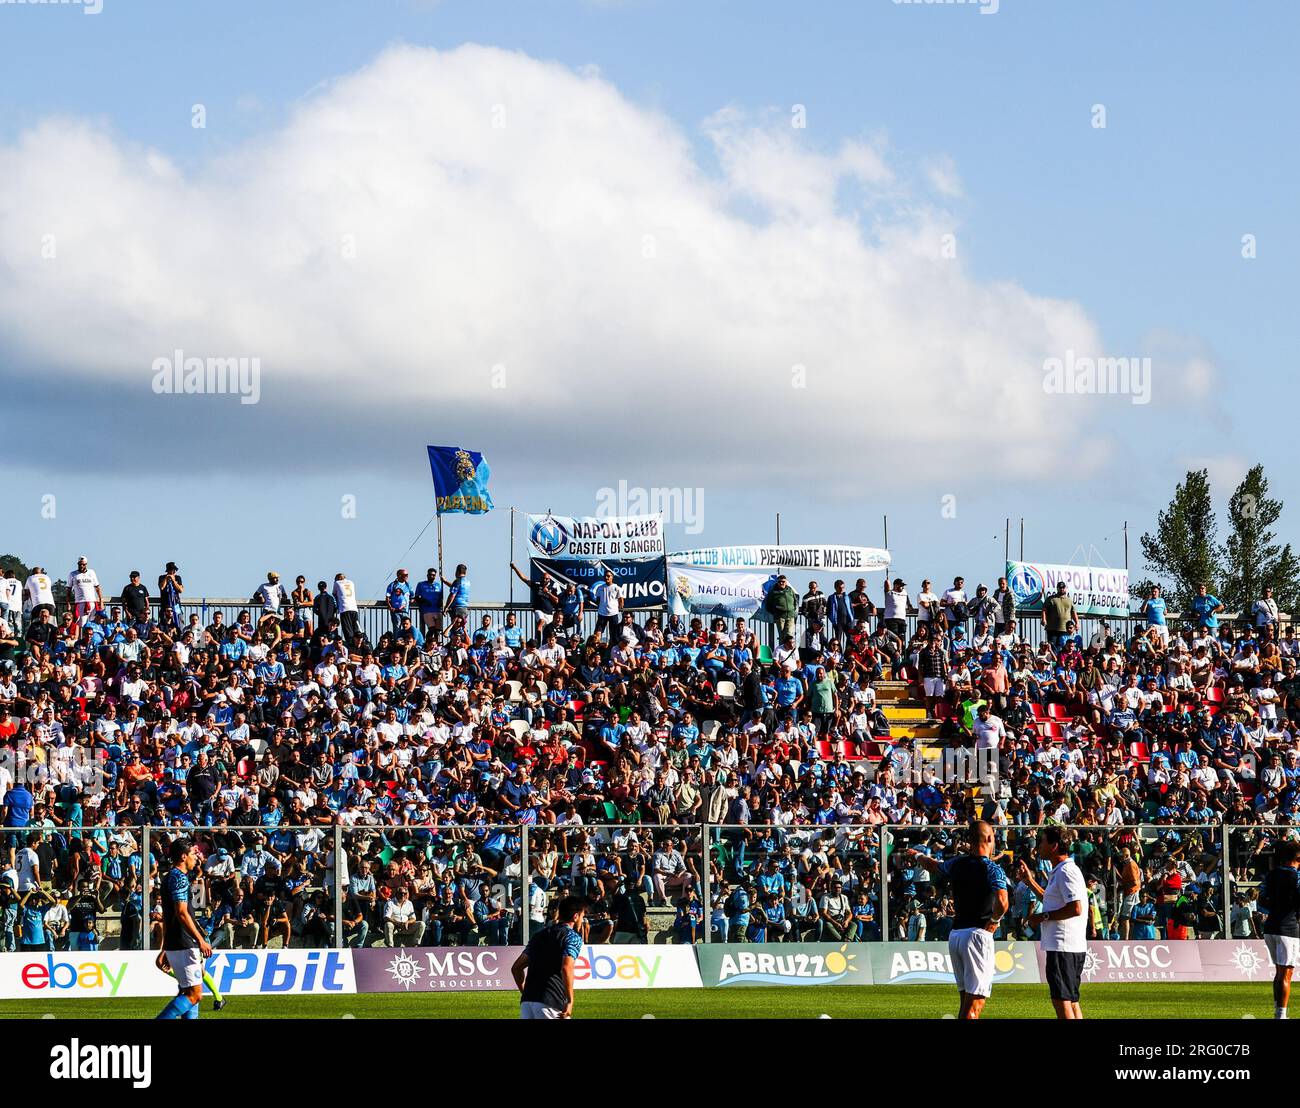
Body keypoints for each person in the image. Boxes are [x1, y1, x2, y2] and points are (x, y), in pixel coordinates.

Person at [908, 821, 1008, 1019]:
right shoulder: (992, 869)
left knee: (965, 1001)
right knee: (975, 1005)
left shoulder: (957, 863)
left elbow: (933, 866)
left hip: (957, 936)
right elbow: (1003, 902)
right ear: (989, 839)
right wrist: (995, 920)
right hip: (979, 935)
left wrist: (917, 855)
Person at [1017, 826, 1087, 1019]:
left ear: (1054, 846)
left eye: (1043, 841)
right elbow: (1050, 899)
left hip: (1063, 946)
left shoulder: (1066, 872)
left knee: (1061, 1000)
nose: (1040, 845)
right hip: (1067, 946)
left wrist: (1042, 917)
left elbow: (1076, 908)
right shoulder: (1062, 870)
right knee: (1071, 1001)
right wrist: (1030, 882)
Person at [155, 838, 213, 1020]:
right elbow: (181, 913)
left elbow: (168, 915)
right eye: (192, 854)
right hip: (184, 940)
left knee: (187, 991)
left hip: (176, 941)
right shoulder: (179, 877)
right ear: (183, 856)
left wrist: (165, 946)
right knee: (194, 994)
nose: (196, 858)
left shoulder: (170, 877)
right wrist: (200, 939)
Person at [511, 895, 586, 1019]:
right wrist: (570, 1001)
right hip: (551, 1001)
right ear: (575, 916)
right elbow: (566, 968)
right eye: (582, 917)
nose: (582, 921)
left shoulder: (538, 936)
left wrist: (525, 993)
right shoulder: (572, 937)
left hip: (527, 1003)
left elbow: (516, 968)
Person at [1258, 840, 1300, 1020]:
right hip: (1288, 927)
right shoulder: (1296, 877)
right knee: (1286, 973)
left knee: (1279, 972)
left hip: (1270, 927)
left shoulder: (1271, 874)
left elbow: (1261, 901)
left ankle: (1278, 1010)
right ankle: (1281, 1015)